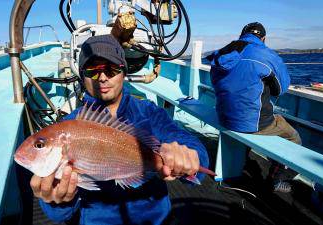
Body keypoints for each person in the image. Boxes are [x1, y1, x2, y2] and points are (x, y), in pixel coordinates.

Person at [29, 35, 210, 224]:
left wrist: (190, 156)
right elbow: (58, 216)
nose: (103, 77)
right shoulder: (69, 124)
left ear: (123, 72)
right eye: (92, 70)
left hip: (155, 219)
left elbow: (189, 144)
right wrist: (56, 201)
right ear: (83, 76)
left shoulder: (149, 112)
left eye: (111, 68)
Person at [208, 22, 301, 193]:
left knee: (246, 113)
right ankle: (276, 179)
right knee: (294, 138)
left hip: (224, 117)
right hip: (251, 123)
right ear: (264, 39)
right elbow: (281, 89)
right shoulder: (266, 54)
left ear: (242, 34)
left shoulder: (222, 52)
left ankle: (238, 159)